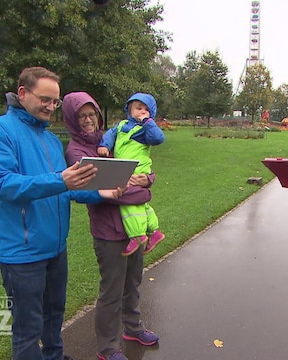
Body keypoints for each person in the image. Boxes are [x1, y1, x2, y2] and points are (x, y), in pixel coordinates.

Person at [0, 67, 123, 360]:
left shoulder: (52, 141)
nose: (50, 107)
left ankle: (55, 356)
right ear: (22, 93)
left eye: (55, 102)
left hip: (55, 246)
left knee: (54, 315)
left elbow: (66, 187)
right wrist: (60, 180)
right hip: (22, 251)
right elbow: (1, 184)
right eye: (45, 99)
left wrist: (100, 192)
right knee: (27, 329)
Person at [63, 91, 160, 360]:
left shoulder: (114, 137)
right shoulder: (77, 151)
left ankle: (133, 327)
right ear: (72, 119)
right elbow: (82, 191)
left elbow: (137, 163)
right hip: (109, 231)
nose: (87, 120)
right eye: (81, 116)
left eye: (91, 114)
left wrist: (147, 180)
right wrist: (133, 192)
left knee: (133, 281)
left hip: (134, 226)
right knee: (111, 290)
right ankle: (107, 347)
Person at [97, 93, 166, 256]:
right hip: (124, 169)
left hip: (138, 169)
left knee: (126, 201)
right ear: (129, 109)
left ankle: (137, 235)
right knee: (140, 203)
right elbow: (110, 135)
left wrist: (148, 122)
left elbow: (158, 138)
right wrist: (105, 146)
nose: (142, 112)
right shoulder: (121, 126)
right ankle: (154, 231)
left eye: (146, 109)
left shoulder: (145, 130)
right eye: (138, 108)